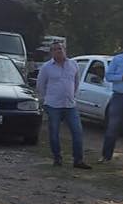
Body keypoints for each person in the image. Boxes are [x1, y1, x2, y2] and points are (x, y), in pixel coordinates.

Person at [35, 41, 91, 169]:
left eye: (60, 48)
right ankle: (57, 158)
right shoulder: (46, 67)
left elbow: (76, 82)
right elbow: (40, 85)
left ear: (65, 49)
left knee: (77, 132)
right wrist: (47, 99)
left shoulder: (73, 64)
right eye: (55, 49)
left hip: (70, 105)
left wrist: (73, 95)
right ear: (51, 52)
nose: (58, 51)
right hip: (53, 105)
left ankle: (78, 160)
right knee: (54, 133)